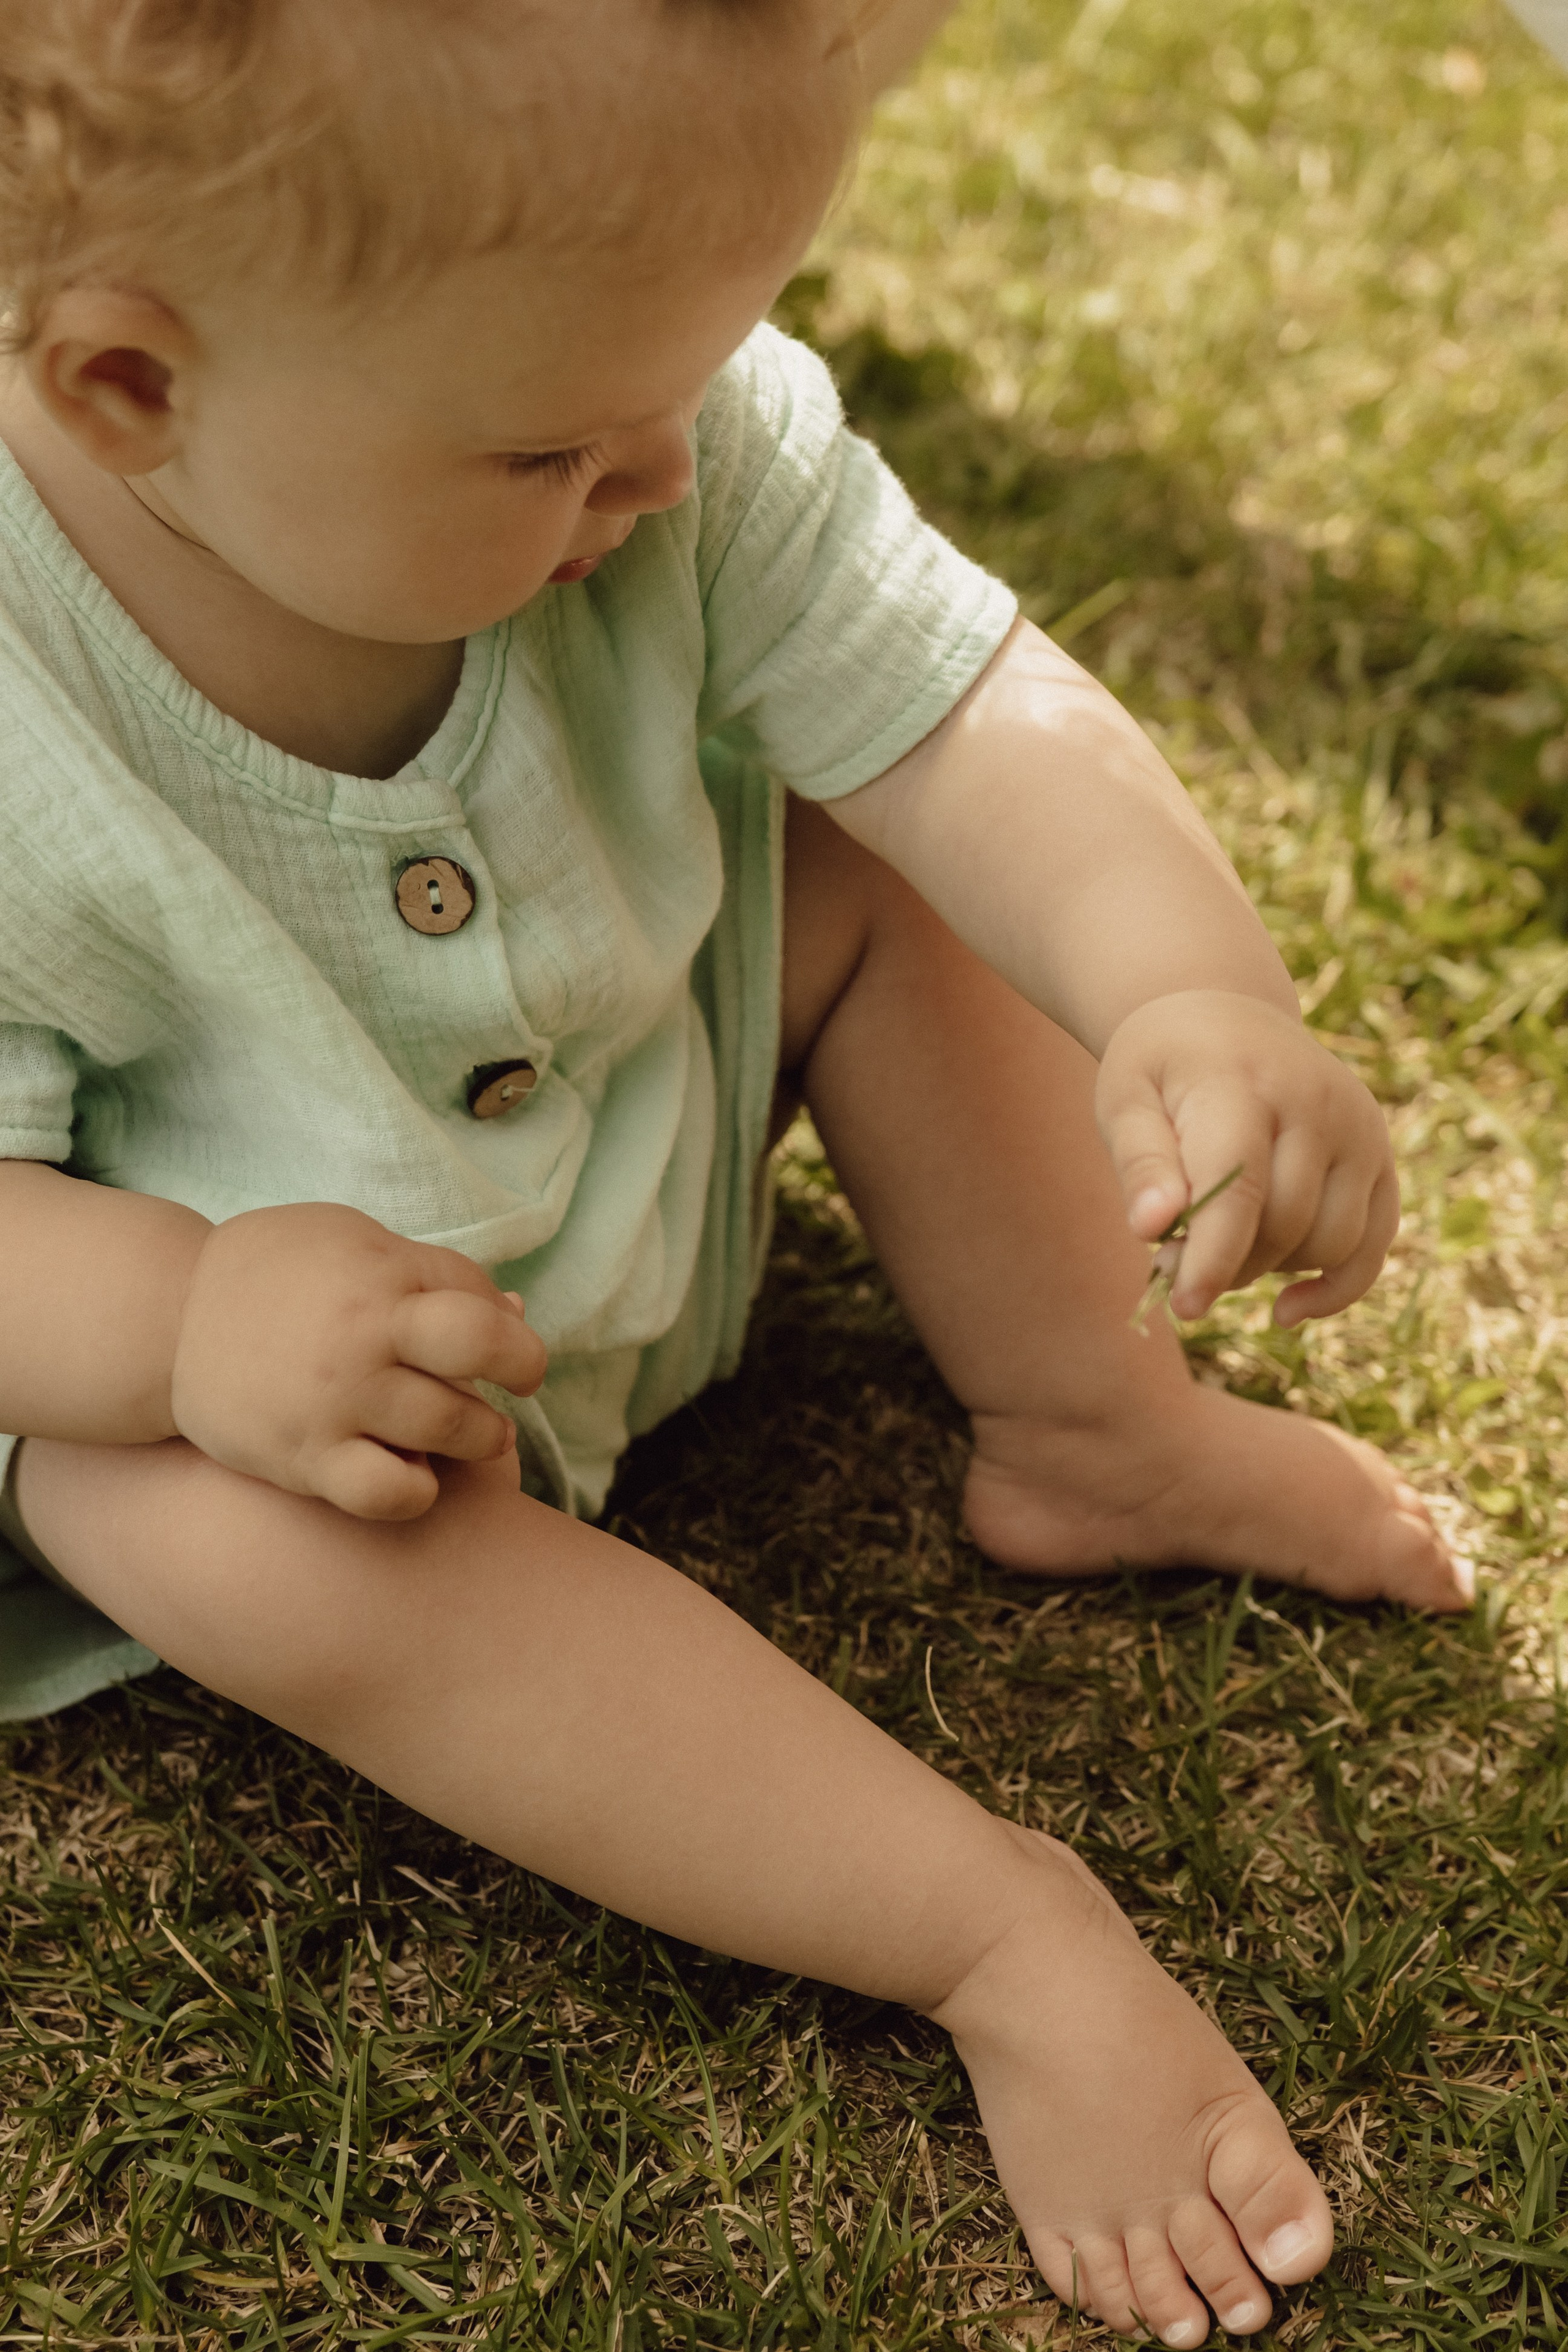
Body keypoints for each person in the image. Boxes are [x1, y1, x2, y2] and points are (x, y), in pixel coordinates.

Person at [0, 1, 1469, 2340]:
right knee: (150, 1497)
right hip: (338, 1421)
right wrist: (178, 1322)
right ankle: (991, 1931)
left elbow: (970, 706)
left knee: (873, 842)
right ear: (129, 390)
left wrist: (1196, 992)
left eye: (711, 368)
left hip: (631, 1163)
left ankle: (1096, 1419)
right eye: (555, 448)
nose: (669, 474)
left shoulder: (640, 418)